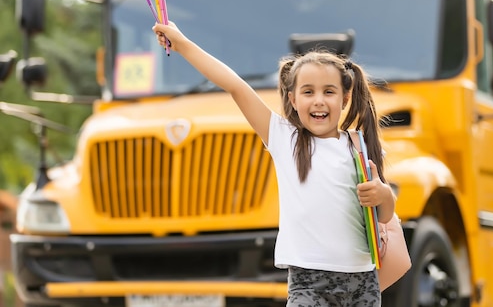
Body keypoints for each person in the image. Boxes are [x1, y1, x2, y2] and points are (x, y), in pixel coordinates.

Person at [153, 22, 396, 306]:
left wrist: (384, 195)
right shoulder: (285, 139)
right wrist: (182, 43)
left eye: (328, 92)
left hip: (362, 282)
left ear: (344, 98)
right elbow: (235, 85)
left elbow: (384, 216)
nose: (318, 101)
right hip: (309, 283)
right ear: (292, 99)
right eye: (308, 92)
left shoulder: (356, 146)